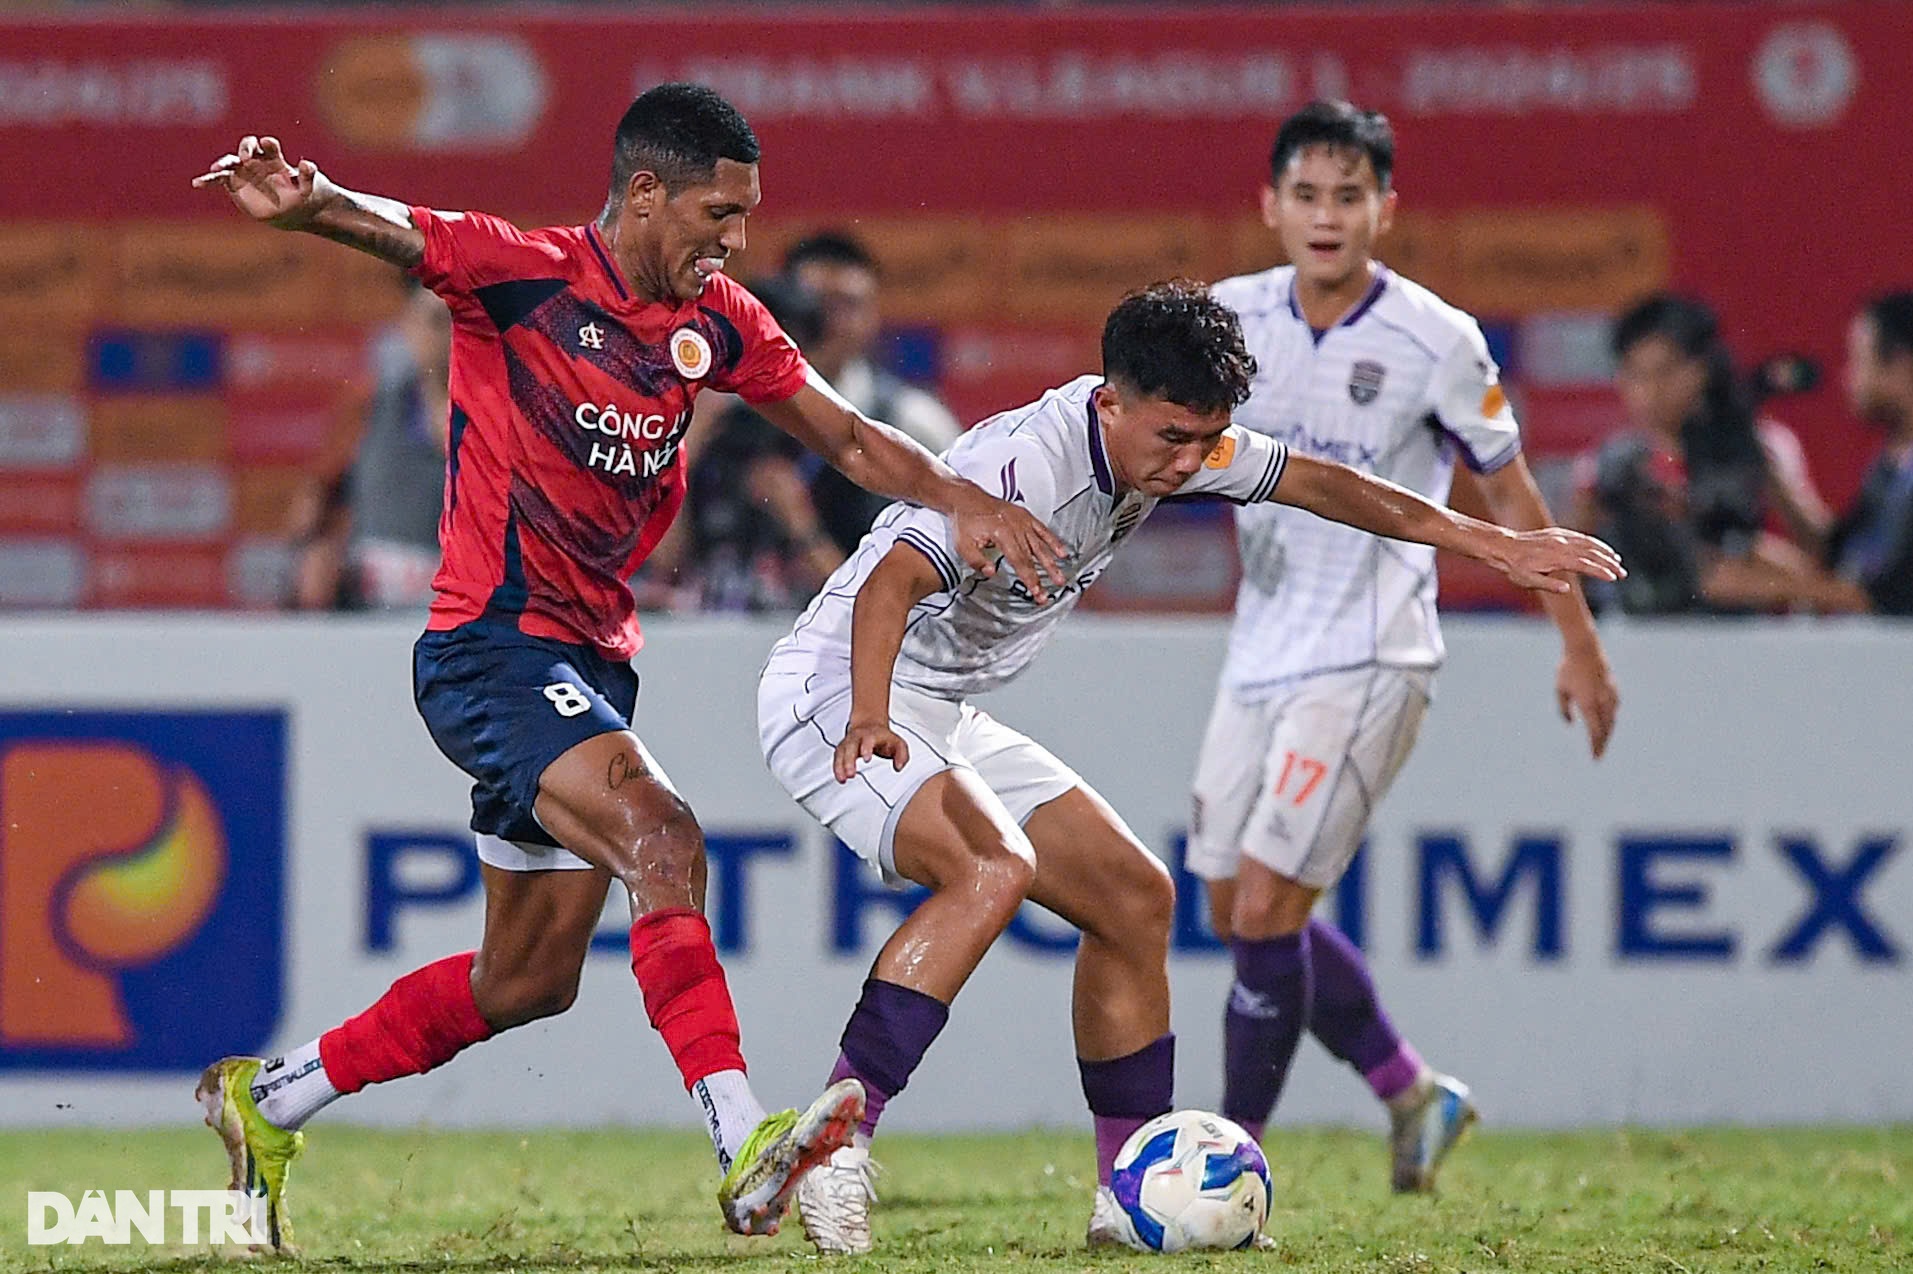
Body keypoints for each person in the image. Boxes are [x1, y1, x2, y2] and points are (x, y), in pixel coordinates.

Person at [187, 82, 1066, 1250]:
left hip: (596, 661)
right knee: (666, 833)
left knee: (527, 977)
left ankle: (271, 1096)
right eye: (718, 211)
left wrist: (956, 494)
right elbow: (397, 226)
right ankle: (748, 1138)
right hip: (490, 645)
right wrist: (306, 204)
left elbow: (846, 435)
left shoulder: (722, 321)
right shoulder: (523, 272)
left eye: (746, 216)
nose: (736, 239)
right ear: (643, 192)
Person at [756, 281, 1623, 1254]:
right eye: (1171, 436)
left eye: (1205, 439)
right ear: (1107, 402)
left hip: (937, 707)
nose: (1186, 462)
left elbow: (1318, 481)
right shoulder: (1022, 466)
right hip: (837, 694)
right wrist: (870, 716)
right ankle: (839, 1145)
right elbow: (890, 581)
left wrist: (1488, 539)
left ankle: (1124, 1197)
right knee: (992, 868)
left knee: (1134, 898)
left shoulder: (1176, 439)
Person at [1187, 101, 1622, 1198]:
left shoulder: (1436, 338)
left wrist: (1577, 646)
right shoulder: (1230, 319)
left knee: (1266, 907)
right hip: (1258, 650)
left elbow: (1510, 495)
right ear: (1269, 205)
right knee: (1228, 903)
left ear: (1386, 207)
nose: (1326, 216)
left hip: (1373, 654)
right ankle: (1409, 1088)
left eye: (1348, 196)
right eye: (1306, 194)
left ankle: (1225, 1166)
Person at [1582, 293, 1861, 615]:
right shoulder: (1610, 463)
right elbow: (1570, 567)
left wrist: (1764, 467)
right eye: (1636, 374)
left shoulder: (1760, 443)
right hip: (1639, 630)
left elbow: (1820, 546)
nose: (1650, 391)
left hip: (1736, 635)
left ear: (1702, 369)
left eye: (1666, 371)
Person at [783, 231, 965, 553]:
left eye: (848, 306)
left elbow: (959, 544)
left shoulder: (914, 422)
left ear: (873, 316)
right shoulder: (725, 411)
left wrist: (801, 527)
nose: (830, 322)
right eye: (816, 305)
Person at [680, 275, 845, 611]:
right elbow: (664, 562)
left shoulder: (838, 450)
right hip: (702, 642)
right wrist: (685, 449)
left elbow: (867, 599)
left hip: (804, 644)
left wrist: (800, 522)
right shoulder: (712, 440)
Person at [289, 277, 453, 611]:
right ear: (408, 326)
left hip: (462, 605)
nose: (444, 336)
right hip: (375, 602)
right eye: (434, 321)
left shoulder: (500, 413)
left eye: (457, 322)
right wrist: (315, 553)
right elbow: (315, 500)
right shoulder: (370, 404)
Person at [1829, 291, 1913, 614]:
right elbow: (1843, 558)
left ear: (1902, 364)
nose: (1848, 379)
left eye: (1858, 360)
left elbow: (1889, 594)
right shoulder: (1888, 468)